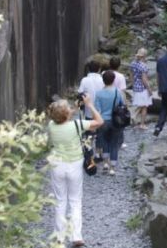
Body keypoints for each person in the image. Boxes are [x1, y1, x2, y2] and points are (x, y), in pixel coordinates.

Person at [47, 95, 103, 247]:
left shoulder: (51, 125)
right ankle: (76, 236)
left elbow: (61, 117)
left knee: (60, 201)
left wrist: (74, 110)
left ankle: (59, 236)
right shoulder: (77, 125)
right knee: (75, 200)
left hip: (57, 165)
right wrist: (89, 105)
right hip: (74, 165)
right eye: (68, 108)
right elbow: (99, 122)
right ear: (66, 114)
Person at [94, 71, 126, 175]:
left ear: (103, 80)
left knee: (104, 143)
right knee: (114, 143)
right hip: (116, 121)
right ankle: (112, 168)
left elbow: (97, 110)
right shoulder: (118, 92)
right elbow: (123, 105)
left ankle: (105, 164)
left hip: (103, 121)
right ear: (113, 80)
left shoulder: (98, 94)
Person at [129, 48, 153, 129]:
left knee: (139, 105)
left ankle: (134, 116)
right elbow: (144, 79)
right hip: (143, 88)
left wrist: (133, 85)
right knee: (144, 106)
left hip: (136, 87)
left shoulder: (133, 64)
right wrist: (149, 89)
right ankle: (142, 124)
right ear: (145, 56)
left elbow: (131, 76)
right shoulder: (143, 66)